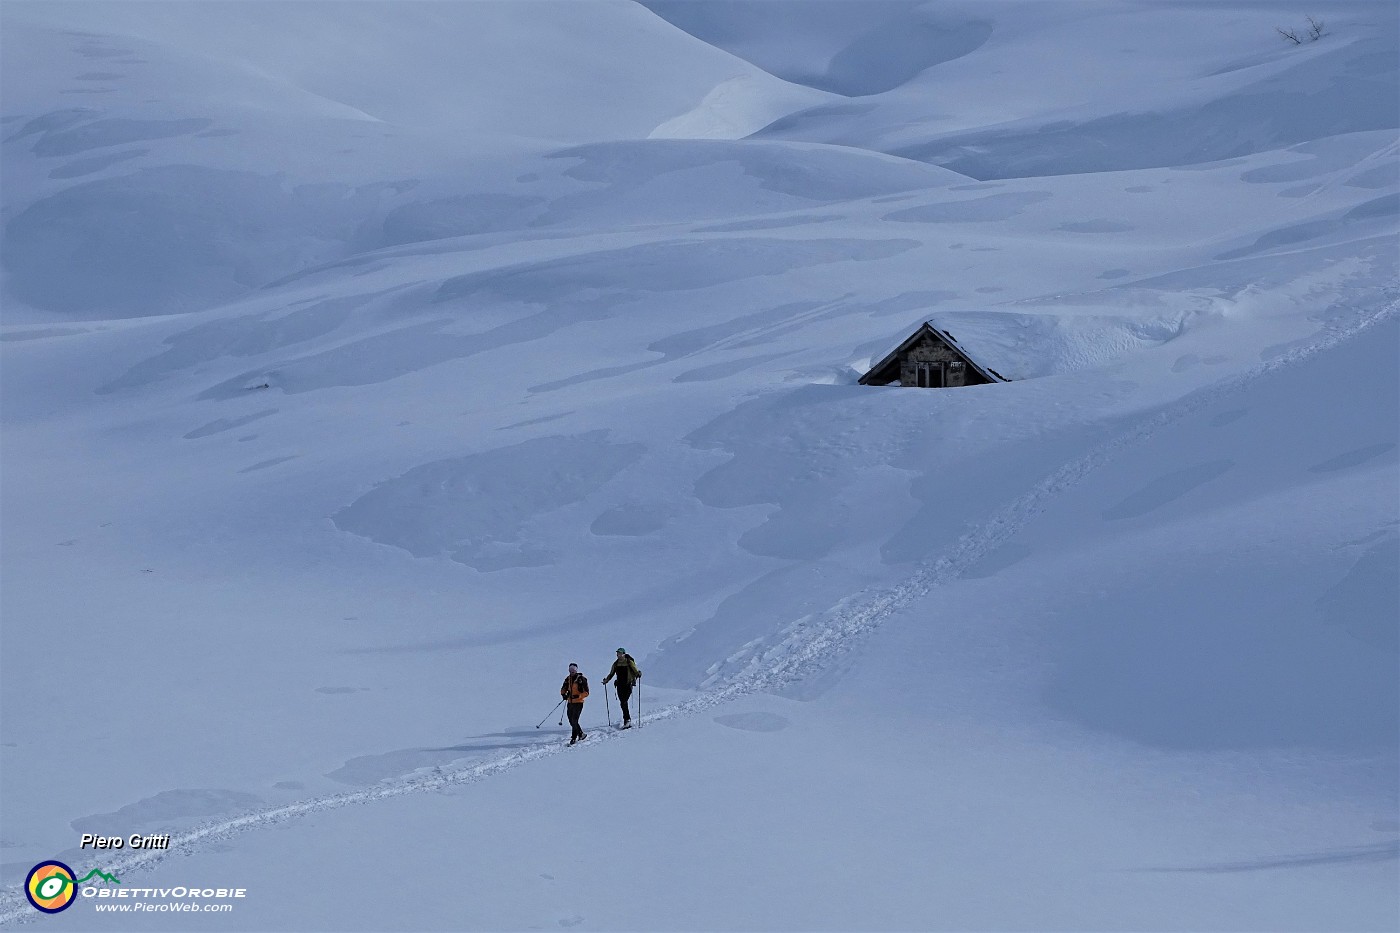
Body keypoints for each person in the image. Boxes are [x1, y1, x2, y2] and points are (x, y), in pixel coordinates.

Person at [601, 648, 641, 729]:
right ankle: (627, 720)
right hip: (619, 685)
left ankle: (627, 719)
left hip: (628, 684)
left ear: (623, 654)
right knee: (622, 702)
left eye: (619, 653)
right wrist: (606, 680)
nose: (618, 655)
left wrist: (638, 674)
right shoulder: (616, 664)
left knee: (623, 701)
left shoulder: (629, 662)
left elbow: (635, 670)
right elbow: (611, 673)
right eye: (617, 654)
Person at [560, 663, 589, 745]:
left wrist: (578, 696)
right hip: (570, 702)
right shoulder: (568, 679)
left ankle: (573, 738)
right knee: (571, 720)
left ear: (576, 670)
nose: (571, 672)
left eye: (573, 670)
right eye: (570, 670)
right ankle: (581, 734)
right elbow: (563, 688)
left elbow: (586, 692)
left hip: (579, 703)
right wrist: (563, 694)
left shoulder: (582, 679)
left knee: (574, 720)